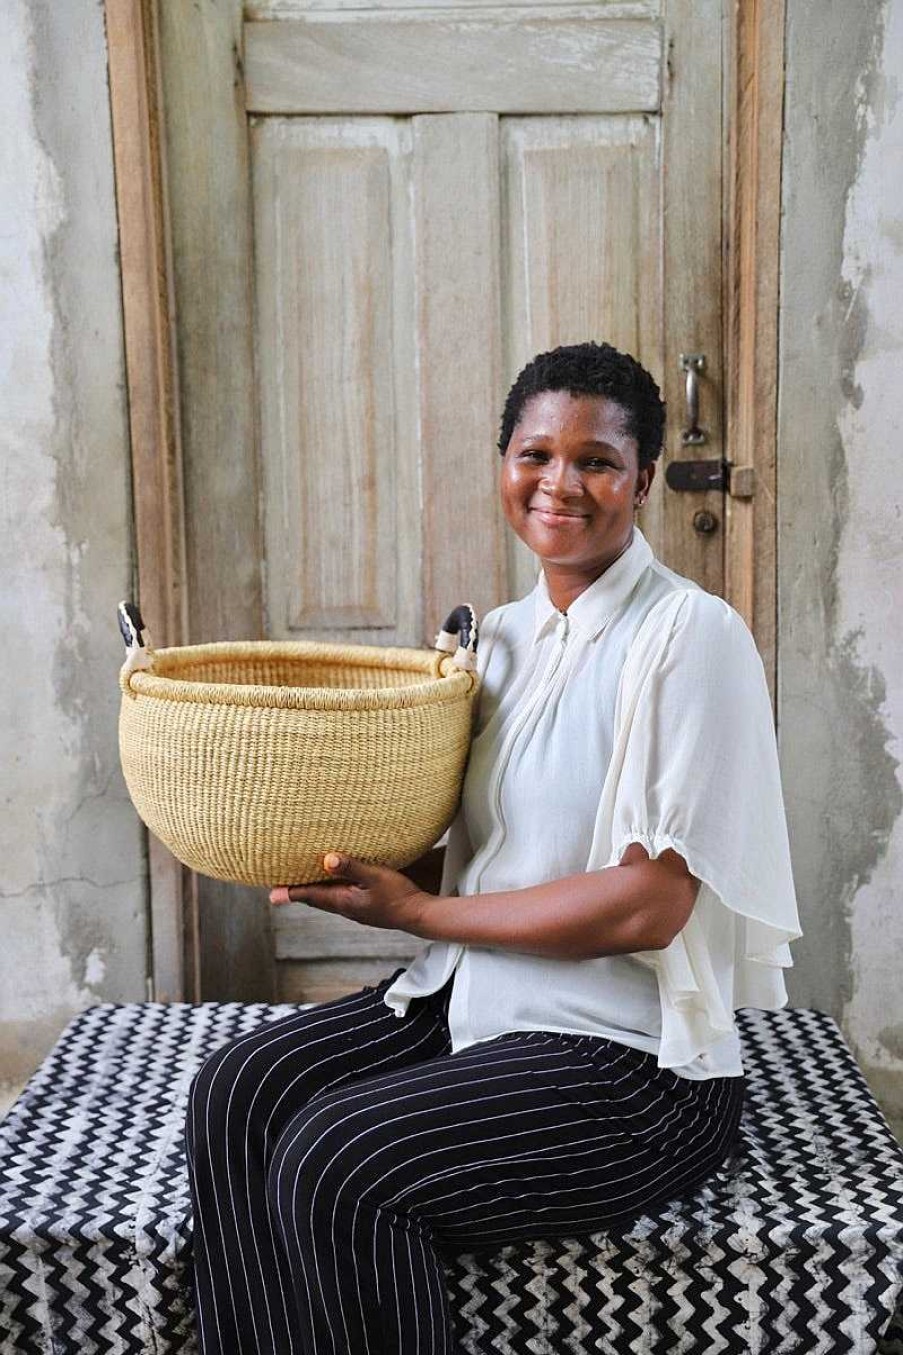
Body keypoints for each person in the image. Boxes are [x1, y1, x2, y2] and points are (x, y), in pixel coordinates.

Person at [185, 340, 802, 1355]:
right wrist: (347, 867)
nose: (560, 482)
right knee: (239, 1090)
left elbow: (650, 903)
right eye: (534, 453)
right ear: (503, 463)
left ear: (643, 478)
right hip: (473, 1001)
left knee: (336, 1155)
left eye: (596, 459)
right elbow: (487, 854)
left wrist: (419, 913)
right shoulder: (499, 637)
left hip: (631, 1063)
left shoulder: (692, 636)